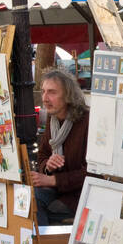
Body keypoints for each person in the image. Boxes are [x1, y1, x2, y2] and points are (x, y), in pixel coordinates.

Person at [31, 68, 89, 226]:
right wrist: (48, 166)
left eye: (52, 92)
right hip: (59, 190)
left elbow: (93, 173)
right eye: (43, 92)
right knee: (28, 200)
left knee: (47, 210)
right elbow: (42, 154)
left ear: (68, 95)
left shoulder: (87, 122)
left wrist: (53, 180)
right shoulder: (53, 120)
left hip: (79, 195)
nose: (45, 98)